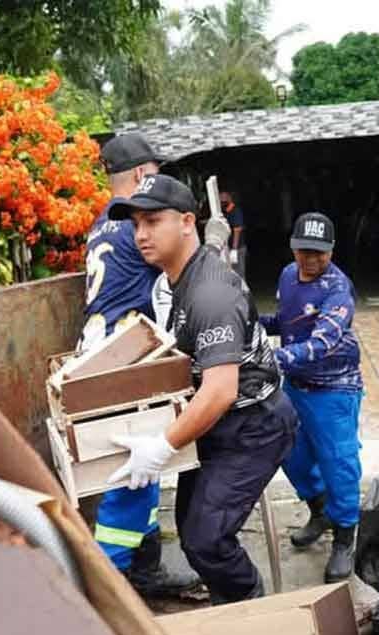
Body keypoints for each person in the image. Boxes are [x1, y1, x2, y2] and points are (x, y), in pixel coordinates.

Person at [107, 174, 298, 604]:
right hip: (216, 425)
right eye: (135, 225)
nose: (141, 235)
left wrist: (161, 447)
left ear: (186, 222)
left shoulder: (210, 294)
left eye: (152, 221)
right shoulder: (179, 277)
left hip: (254, 425)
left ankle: (250, 608)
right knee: (193, 533)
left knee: (206, 540)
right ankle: (228, 601)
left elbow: (220, 391)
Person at [82, 133, 200, 597]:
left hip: (104, 350)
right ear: (139, 174)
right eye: (155, 174)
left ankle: (146, 571)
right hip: (123, 356)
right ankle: (106, 590)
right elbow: (183, 264)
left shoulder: (102, 224)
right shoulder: (136, 228)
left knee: (143, 474)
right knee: (132, 475)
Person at [259, 212, 363, 583]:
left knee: (339, 463)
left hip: (334, 389)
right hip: (296, 385)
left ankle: (345, 536)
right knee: (290, 453)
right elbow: (287, 321)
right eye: (304, 251)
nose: (311, 259)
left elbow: (322, 341)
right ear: (293, 248)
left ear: (331, 250)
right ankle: (320, 512)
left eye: (319, 252)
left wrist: (270, 359)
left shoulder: (338, 289)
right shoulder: (288, 275)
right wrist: (249, 321)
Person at [220, 190, 247, 279]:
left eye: (224, 197)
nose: (222, 200)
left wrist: (234, 249)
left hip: (238, 248)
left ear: (229, 197)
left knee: (239, 274)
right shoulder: (224, 211)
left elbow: (237, 230)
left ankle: (242, 288)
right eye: (220, 198)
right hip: (227, 247)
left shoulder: (236, 211)